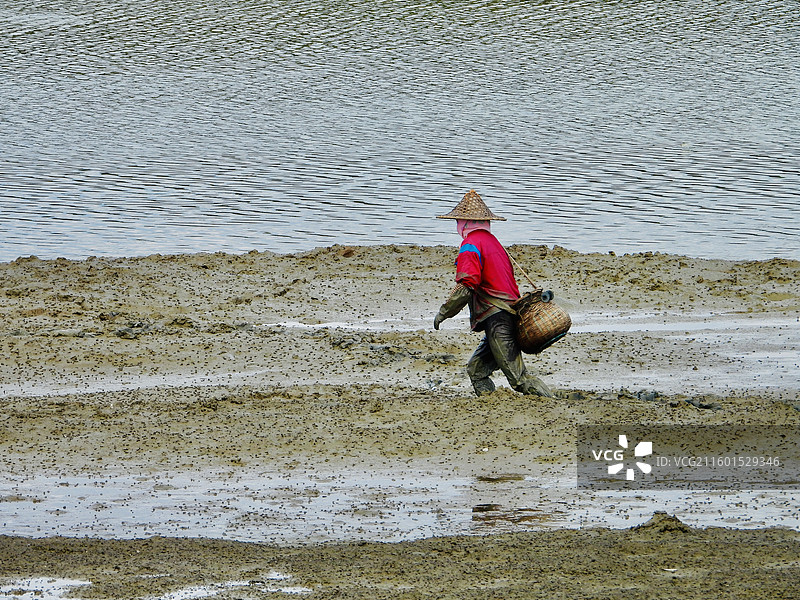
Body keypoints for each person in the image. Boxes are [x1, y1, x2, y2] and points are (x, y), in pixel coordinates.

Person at [433, 190, 554, 398]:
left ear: (464, 223)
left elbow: (467, 286)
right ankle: (489, 403)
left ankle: (552, 404)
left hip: (498, 319)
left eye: (458, 221)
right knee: (476, 371)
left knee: (519, 379)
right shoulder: (495, 244)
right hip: (506, 314)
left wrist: (444, 312)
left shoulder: (470, 245)